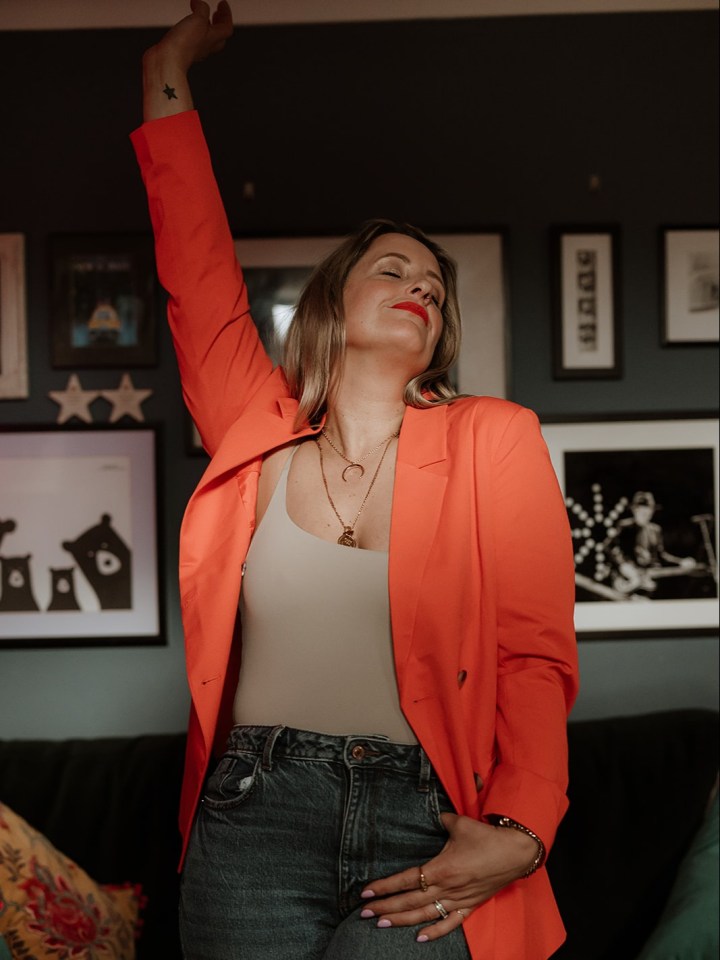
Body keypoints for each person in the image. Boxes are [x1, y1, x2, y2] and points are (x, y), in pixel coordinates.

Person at [131, 3, 579, 958]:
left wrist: (523, 830)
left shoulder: (493, 439)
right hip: (250, 818)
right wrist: (167, 72)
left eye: (435, 283)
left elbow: (535, 656)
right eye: (393, 268)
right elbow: (197, 268)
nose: (423, 284)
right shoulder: (253, 434)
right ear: (333, 303)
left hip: (423, 819)